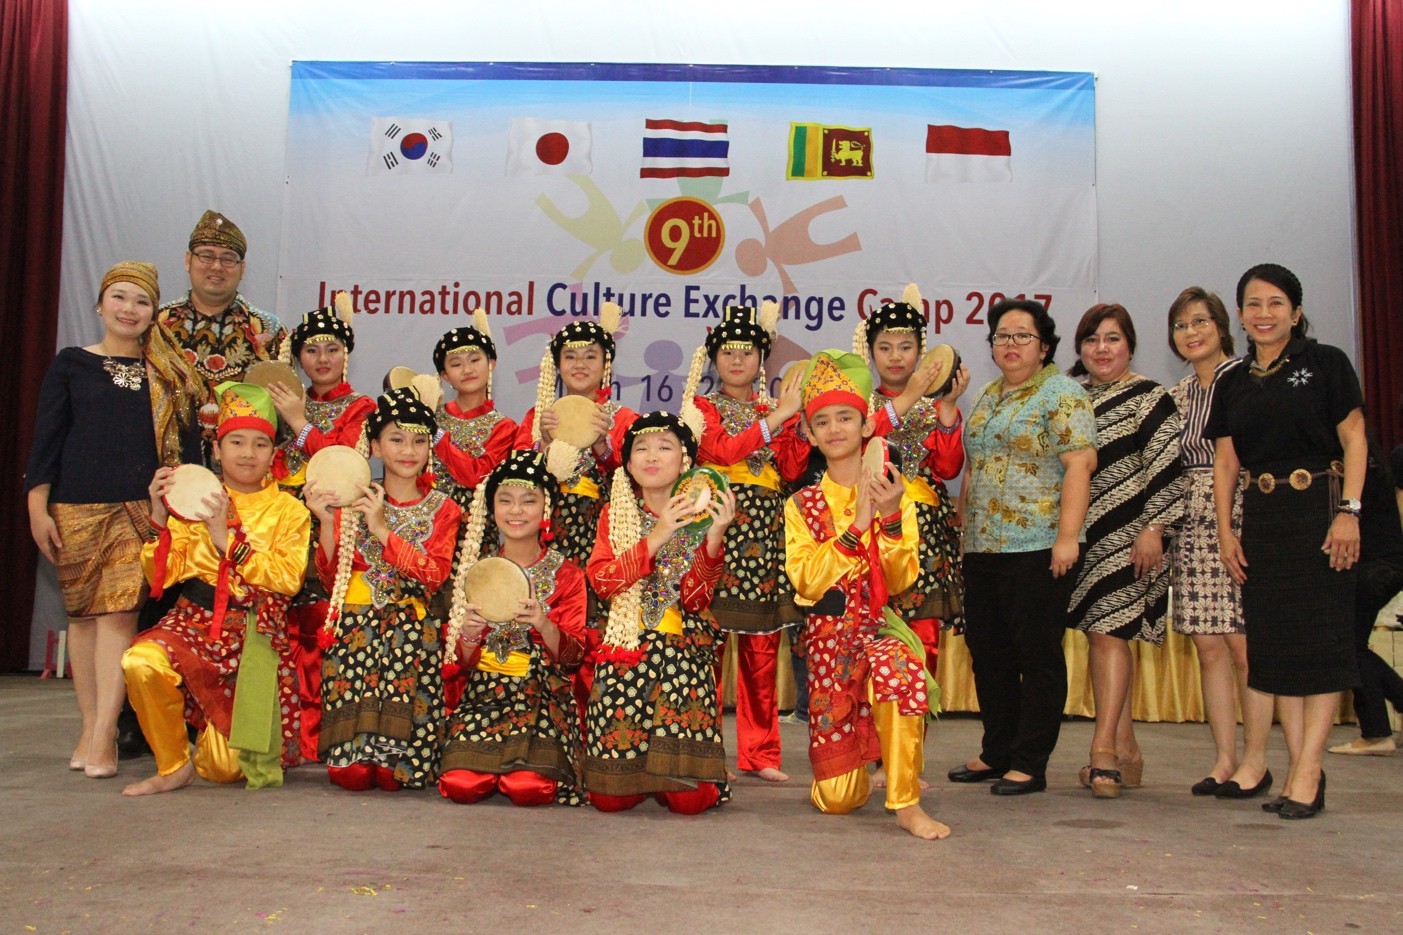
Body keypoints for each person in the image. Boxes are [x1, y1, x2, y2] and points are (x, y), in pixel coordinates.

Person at [26, 261, 203, 778]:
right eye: (120, 297)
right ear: (100, 304)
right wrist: (37, 507)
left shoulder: (168, 375)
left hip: (137, 510)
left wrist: (174, 505)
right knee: (82, 619)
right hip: (74, 508)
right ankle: (89, 726)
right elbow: (46, 441)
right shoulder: (71, 364)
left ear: (154, 313)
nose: (130, 309)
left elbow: (187, 450)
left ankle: (105, 732)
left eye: (141, 301)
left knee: (119, 617)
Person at [1205, 262, 1366, 819]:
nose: (1264, 314)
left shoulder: (1326, 363)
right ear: (1240, 315)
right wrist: (1226, 531)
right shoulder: (1232, 380)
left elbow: (1355, 438)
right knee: (1278, 652)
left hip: (1321, 513)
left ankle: (1308, 771)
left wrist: (1350, 512)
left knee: (1319, 646)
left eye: (1276, 303)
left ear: (1296, 313)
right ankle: (1300, 769)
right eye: (1253, 304)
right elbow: (1226, 462)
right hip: (1264, 520)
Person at [783, 350, 948, 840]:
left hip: (877, 628)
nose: (834, 429)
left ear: (867, 426)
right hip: (828, 645)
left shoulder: (895, 491)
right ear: (810, 434)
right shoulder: (802, 504)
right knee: (839, 800)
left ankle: (906, 802)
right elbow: (806, 581)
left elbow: (900, 580)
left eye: (845, 418)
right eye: (822, 422)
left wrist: (891, 517)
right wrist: (857, 527)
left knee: (901, 673)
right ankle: (854, 760)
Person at [122, 381, 311, 795]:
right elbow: (162, 574)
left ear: (273, 454)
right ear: (217, 449)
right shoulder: (196, 498)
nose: (247, 453)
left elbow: (287, 578)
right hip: (195, 623)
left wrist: (228, 543)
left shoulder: (289, 510)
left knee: (223, 769)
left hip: (253, 636)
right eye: (236, 442)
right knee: (141, 661)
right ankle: (172, 765)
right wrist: (159, 517)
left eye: (260, 444)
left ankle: (212, 733)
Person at [951, 298, 1097, 796]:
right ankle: (998, 751)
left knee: (1035, 655)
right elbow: (975, 466)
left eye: (1022, 336)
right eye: (1001, 336)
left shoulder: (1063, 394)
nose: (1010, 344)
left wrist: (1067, 538)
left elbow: (1080, 465)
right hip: (983, 546)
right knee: (988, 651)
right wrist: (965, 532)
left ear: (1045, 346)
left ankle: (1030, 761)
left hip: (1039, 545)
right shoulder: (987, 395)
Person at [677, 303, 809, 783]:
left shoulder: (773, 409)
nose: (737, 360)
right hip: (717, 528)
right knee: (706, 645)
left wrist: (801, 428)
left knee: (761, 649)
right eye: (728, 352)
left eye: (747, 352)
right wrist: (782, 416)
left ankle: (761, 754)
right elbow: (722, 450)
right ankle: (703, 748)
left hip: (764, 533)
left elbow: (791, 470)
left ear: (761, 359)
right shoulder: (702, 408)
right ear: (714, 358)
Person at [582, 411, 736, 814]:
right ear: (629, 465)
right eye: (641, 449)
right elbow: (603, 583)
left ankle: (685, 772)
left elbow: (696, 601)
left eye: (664, 447)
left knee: (690, 802)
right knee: (608, 799)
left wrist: (715, 537)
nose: (652, 456)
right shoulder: (615, 514)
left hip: (680, 657)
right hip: (624, 654)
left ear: (684, 462)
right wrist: (658, 534)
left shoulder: (702, 517)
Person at [313, 388, 462, 791]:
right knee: (352, 775)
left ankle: (400, 751)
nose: (408, 451)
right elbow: (330, 579)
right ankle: (355, 746)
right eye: (396, 439)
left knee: (393, 776)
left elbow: (434, 575)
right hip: (355, 629)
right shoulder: (350, 499)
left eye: (418, 441)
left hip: (409, 633)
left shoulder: (444, 508)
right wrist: (326, 522)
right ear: (376, 447)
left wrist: (381, 530)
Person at [1067, 304, 1183, 798]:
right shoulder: (1070, 398)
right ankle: (1127, 748)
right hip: (1080, 537)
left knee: (1109, 633)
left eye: (1112, 338)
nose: (1102, 349)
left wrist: (1154, 528)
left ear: (1130, 346)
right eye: (1092, 339)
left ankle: (1103, 754)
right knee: (1101, 637)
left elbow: (1167, 467)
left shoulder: (1150, 397)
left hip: (1133, 536)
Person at [438, 452, 588, 806]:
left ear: (546, 508)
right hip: (484, 694)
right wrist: (469, 634)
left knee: (527, 788)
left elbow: (573, 658)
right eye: (505, 500)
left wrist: (542, 623)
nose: (516, 510)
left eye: (528, 501)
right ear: (492, 509)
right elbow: (462, 662)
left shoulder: (567, 574)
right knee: (461, 785)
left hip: (539, 695)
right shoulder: (476, 570)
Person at [515, 303, 639, 722]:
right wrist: (544, 445)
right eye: (570, 356)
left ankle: (594, 721)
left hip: (600, 535)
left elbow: (638, 481)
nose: (580, 364)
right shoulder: (538, 418)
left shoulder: (623, 419)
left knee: (594, 624)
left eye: (590, 356)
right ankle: (547, 718)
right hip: (547, 533)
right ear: (557, 366)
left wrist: (603, 447)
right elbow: (514, 484)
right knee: (548, 616)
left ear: (606, 364)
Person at [265, 297, 375, 762]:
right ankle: (281, 731)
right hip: (283, 527)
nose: (323, 358)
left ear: (346, 353)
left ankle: (321, 734)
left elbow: (343, 464)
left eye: (332, 349)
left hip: (334, 529)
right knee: (279, 629)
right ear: (298, 357)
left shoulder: (361, 407)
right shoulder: (279, 399)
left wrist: (298, 421)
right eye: (312, 350)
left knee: (320, 631)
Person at [1165, 287, 1251, 794]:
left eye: (1200, 321)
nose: (1191, 332)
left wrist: (1229, 527)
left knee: (1244, 646)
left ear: (1222, 326)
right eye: (1181, 325)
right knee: (1208, 647)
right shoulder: (1176, 395)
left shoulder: (1244, 379)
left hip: (1239, 516)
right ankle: (1223, 758)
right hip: (1189, 526)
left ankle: (1255, 758)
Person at [855, 287, 969, 665]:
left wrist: (948, 407)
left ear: (920, 353)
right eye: (885, 347)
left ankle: (917, 704)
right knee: (868, 630)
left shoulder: (934, 406)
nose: (895, 356)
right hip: (869, 524)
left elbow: (948, 468)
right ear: (871, 352)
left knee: (922, 638)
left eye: (905, 347)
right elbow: (861, 441)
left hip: (922, 530)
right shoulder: (861, 403)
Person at [158, 210, 287, 449]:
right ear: (188, 260)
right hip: (171, 463)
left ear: (242, 268)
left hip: (246, 465)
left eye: (228, 259)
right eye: (206, 256)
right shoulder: (158, 324)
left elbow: (284, 412)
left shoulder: (267, 328)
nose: (217, 266)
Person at [1328, 437, 1403, 756]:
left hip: (1374, 562)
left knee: (1350, 645)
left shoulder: (1353, 458)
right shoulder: (1372, 455)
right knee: (1352, 643)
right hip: (1387, 559)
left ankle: (1376, 733)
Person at [430, 311, 518, 512]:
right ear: (445, 376)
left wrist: (438, 437)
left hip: (479, 525)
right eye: (456, 364)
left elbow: (478, 477)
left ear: (491, 365)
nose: (467, 370)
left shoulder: (505, 428)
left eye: (474, 360)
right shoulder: (430, 418)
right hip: (433, 522)